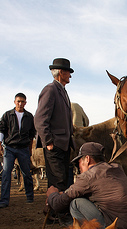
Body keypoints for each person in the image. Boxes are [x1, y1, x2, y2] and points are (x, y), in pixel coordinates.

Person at [34, 58, 74, 192]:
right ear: (61, 72)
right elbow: (40, 119)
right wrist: (49, 142)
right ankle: (57, 212)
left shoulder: (62, 91)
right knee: (58, 181)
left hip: (63, 145)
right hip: (55, 145)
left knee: (62, 180)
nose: (70, 75)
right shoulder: (50, 89)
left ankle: (56, 210)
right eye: (68, 72)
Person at [0, 93, 36, 208]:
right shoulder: (7, 115)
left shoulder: (29, 116)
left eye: (23, 101)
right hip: (9, 148)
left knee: (26, 173)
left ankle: (30, 196)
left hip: (23, 148)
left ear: (25, 103)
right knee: (6, 173)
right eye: (18, 101)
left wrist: (29, 151)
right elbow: (1, 130)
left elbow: (31, 135)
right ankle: (4, 200)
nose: (20, 103)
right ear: (14, 102)